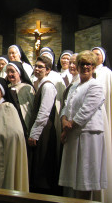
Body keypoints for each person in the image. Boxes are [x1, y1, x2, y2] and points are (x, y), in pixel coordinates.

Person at [59, 50, 107, 200]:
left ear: (93, 67)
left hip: (88, 135)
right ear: (78, 66)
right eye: (82, 64)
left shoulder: (96, 86)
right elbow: (66, 107)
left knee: (86, 176)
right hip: (74, 134)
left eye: (89, 64)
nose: (86, 67)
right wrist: (63, 120)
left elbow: (86, 110)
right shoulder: (74, 86)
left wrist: (67, 128)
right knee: (75, 176)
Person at [28, 56, 59, 195]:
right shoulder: (40, 84)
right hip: (40, 129)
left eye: (41, 67)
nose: (37, 69)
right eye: (36, 66)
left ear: (48, 70)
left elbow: (44, 112)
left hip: (44, 130)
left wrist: (35, 133)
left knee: (42, 163)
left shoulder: (47, 86)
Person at [91, 47, 112, 203]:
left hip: (103, 116)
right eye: (92, 54)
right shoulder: (86, 73)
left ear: (103, 58)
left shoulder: (107, 73)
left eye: (97, 54)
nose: (95, 56)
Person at [6, 61, 35, 130]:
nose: (10, 74)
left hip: (25, 122)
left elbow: (33, 107)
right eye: (8, 72)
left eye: (12, 71)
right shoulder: (6, 89)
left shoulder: (27, 88)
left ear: (19, 73)